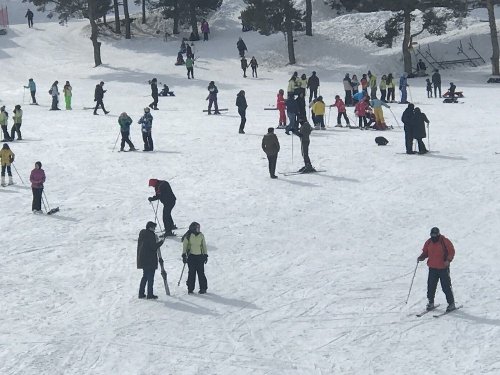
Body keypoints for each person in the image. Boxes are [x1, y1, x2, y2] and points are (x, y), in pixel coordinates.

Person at [417, 227, 456, 312]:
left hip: (443, 268)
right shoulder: (429, 242)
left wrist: (448, 260)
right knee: (431, 286)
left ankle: (451, 303)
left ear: (438, 234)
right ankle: (430, 302)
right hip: (432, 268)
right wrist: (422, 257)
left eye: (435, 235)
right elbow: (425, 252)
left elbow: (451, 251)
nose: (433, 237)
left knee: (446, 286)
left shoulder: (444, 241)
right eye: (432, 235)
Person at [137, 221, 165, 300]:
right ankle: (150, 294)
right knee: (150, 277)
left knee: (145, 276)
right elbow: (153, 247)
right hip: (150, 259)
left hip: (143, 260)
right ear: (150, 227)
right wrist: (161, 242)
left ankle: (141, 293)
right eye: (154, 227)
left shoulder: (143, 234)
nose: (154, 229)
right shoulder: (150, 235)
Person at [182, 222, 208, 294]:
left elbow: (204, 246)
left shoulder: (201, 235)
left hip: (200, 256)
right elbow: (185, 246)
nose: (199, 229)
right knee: (191, 273)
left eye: (199, 228)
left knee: (201, 273)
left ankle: (203, 288)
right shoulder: (188, 236)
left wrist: (205, 255)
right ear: (193, 228)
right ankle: (190, 288)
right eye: (197, 228)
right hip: (191, 257)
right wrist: (184, 255)